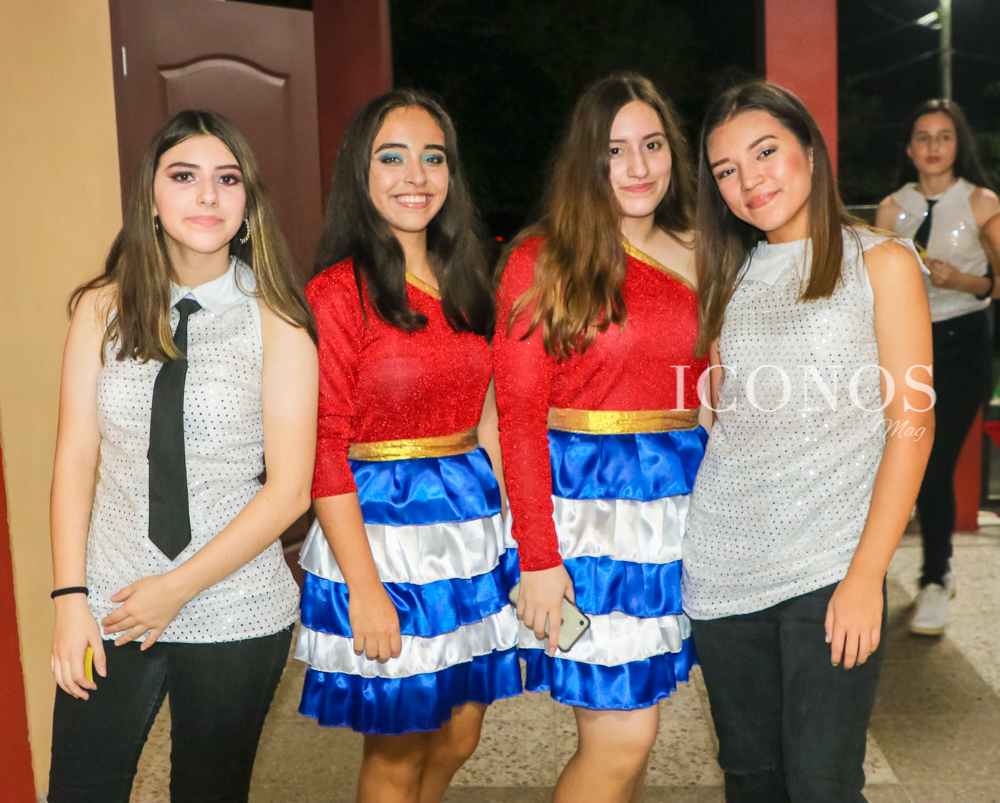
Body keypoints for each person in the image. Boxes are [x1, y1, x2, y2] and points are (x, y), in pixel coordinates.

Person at [48, 110, 318, 802]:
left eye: (227, 179)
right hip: (109, 599)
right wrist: (70, 599)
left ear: (247, 203)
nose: (207, 195)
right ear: (151, 198)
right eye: (184, 176)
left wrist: (177, 586)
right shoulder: (101, 309)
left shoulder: (279, 319)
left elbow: (290, 490)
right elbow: (75, 458)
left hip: (236, 602)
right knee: (80, 790)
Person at [683, 81, 934, 802]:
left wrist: (865, 577)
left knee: (823, 783)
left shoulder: (881, 261)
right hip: (723, 563)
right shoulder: (729, 275)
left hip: (831, 564)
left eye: (765, 152)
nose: (749, 179)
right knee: (751, 779)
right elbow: (722, 415)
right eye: (726, 169)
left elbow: (912, 429)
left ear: (811, 152)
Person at [294, 90, 520, 803]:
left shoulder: (470, 278)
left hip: (468, 535)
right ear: (359, 172)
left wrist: (520, 537)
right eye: (392, 158)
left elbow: (489, 417)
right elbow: (323, 447)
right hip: (380, 538)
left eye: (433, 158)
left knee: (459, 735)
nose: (415, 176)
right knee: (399, 750)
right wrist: (365, 589)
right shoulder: (336, 293)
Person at [494, 73, 708, 803]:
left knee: (636, 729)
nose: (639, 166)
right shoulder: (542, 259)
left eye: (653, 144)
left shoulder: (702, 248)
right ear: (587, 158)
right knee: (622, 738)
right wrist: (538, 557)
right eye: (616, 150)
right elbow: (519, 418)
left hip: (678, 518)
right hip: (585, 525)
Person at [875, 99, 1000, 635]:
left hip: (964, 345)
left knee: (932, 462)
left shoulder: (981, 202)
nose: (933, 146)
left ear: (958, 144)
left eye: (944, 136)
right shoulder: (891, 209)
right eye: (922, 136)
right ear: (908, 148)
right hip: (907, 347)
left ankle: (936, 576)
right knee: (899, 458)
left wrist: (963, 282)